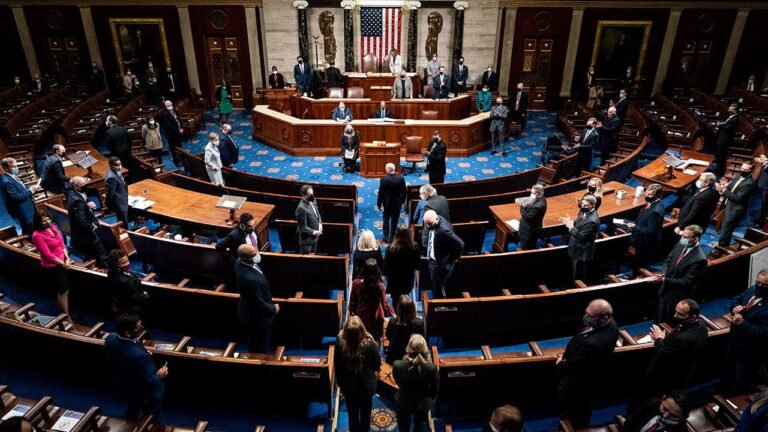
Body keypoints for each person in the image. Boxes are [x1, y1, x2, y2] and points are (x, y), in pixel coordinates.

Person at [556, 299, 619, 428]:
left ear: (604, 317)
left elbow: (574, 367)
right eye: (586, 313)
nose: (585, 317)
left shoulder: (594, 344)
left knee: (573, 413)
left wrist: (561, 362)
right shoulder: (611, 323)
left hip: (579, 385)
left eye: (590, 316)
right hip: (592, 376)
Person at [105, 313, 168, 421]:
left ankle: (130, 419)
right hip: (143, 392)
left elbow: (124, 350)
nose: (142, 328)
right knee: (151, 414)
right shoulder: (139, 357)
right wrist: (160, 375)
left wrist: (140, 348)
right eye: (138, 328)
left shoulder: (111, 338)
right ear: (128, 333)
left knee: (133, 406)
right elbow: (150, 381)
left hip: (123, 382)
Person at [645, 299, 708, 397]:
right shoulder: (701, 324)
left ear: (693, 317)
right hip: (685, 371)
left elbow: (662, 353)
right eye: (676, 311)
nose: (675, 316)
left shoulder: (682, 339)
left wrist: (659, 338)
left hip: (668, 376)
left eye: (680, 314)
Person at [721, 269, 768, 395]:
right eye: (758, 282)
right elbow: (737, 298)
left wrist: (743, 323)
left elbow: (764, 333)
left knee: (741, 377)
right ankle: (722, 391)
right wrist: (735, 306)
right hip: (734, 339)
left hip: (750, 349)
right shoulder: (753, 289)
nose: (759, 286)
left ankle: (732, 399)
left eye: (764, 285)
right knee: (727, 368)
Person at [335, 316, 381, 432]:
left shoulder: (340, 346)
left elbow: (338, 368)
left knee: (352, 413)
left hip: (349, 387)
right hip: (366, 386)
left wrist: (341, 384)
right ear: (362, 329)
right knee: (366, 414)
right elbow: (377, 366)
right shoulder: (370, 346)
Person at [653, 224, 708, 322]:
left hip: (677, 297)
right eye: (683, 235)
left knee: (669, 322)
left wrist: (665, 280)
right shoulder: (681, 243)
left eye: (686, 237)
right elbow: (668, 260)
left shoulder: (700, 259)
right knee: (658, 318)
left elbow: (686, 282)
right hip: (665, 290)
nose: (682, 238)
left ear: (695, 238)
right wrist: (663, 274)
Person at [236, 244, 278, 353]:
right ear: (247, 258)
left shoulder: (240, 261)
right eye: (254, 254)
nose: (258, 255)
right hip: (257, 319)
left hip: (248, 304)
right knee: (259, 345)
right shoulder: (250, 280)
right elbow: (258, 303)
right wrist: (273, 308)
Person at [393, 334, 439, 432]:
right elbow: (434, 390)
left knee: (403, 427)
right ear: (425, 349)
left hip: (403, 401)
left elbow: (397, 381)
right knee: (419, 427)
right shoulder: (431, 368)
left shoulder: (397, 365)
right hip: (422, 403)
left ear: (408, 348)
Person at [31, 211, 72, 318]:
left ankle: (64, 314)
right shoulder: (37, 235)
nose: (47, 222)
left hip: (62, 262)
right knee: (63, 291)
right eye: (43, 221)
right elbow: (47, 255)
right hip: (53, 266)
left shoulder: (53, 227)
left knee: (63, 291)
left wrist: (67, 258)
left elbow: (62, 243)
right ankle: (67, 317)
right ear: (38, 223)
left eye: (48, 219)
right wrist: (63, 263)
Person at [349, 258, 394, 341]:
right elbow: (385, 305)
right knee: (375, 339)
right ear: (377, 271)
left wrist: (352, 315)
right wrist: (393, 315)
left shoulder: (356, 283)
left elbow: (352, 302)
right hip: (375, 317)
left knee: (361, 338)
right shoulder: (380, 287)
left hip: (360, 315)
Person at [68, 176, 107, 268]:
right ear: (76, 187)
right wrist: (91, 227)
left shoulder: (75, 194)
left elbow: (84, 198)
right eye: (82, 185)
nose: (85, 186)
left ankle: (92, 263)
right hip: (85, 231)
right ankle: (103, 266)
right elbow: (81, 220)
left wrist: (88, 203)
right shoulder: (77, 201)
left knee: (90, 251)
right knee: (99, 249)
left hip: (82, 231)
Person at [423, 209, 464, 298]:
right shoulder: (435, 220)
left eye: (429, 224)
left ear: (436, 219)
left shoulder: (444, 230)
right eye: (426, 223)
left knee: (437, 288)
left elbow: (460, 244)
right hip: (434, 258)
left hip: (440, 264)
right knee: (434, 283)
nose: (427, 226)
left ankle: (439, 304)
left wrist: (453, 259)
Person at [715, 161, 755, 248]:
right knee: (724, 228)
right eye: (742, 168)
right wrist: (724, 185)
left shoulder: (749, 183)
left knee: (726, 230)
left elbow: (737, 198)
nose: (743, 170)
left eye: (746, 169)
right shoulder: (738, 176)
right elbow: (731, 187)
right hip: (728, 205)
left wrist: (724, 190)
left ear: (751, 171)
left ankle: (721, 248)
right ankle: (722, 244)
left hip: (734, 209)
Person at [627, 183, 664, 277]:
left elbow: (651, 231)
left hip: (645, 242)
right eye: (646, 193)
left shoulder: (656, 211)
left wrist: (635, 226)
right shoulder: (654, 204)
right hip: (642, 239)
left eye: (650, 194)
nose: (647, 196)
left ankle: (635, 278)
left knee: (639, 262)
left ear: (658, 195)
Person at [562, 195, 600, 284]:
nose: (583, 206)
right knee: (573, 273)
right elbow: (579, 224)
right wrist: (571, 222)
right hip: (575, 248)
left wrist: (571, 227)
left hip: (581, 252)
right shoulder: (584, 211)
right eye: (582, 204)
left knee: (578, 277)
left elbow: (582, 237)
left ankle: (576, 291)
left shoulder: (592, 220)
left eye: (586, 205)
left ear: (592, 206)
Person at [1, 157, 41, 235]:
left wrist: (31, 188)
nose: (16, 168)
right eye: (13, 167)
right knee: (29, 232)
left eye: (16, 166)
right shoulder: (7, 181)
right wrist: (31, 190)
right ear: (6, 168)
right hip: (23, 211)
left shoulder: (11, 176)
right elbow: (15, 197)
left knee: (32, 230)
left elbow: (21, 188)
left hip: (27, 208)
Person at [384, 227, 421, 307]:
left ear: (396, 235)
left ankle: (397, 316)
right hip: (408, 279)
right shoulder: (414, 247)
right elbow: (418, 265)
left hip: (394, 280)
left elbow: (385, 267)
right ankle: (405, 316)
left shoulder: (391, 248)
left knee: (395, 299)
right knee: (406, 296)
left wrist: (387, 276)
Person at [107, 249, 148, 317]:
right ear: (115, 265)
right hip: (134, 310)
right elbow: (137, 299)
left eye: (127, 261)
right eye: (123, 263)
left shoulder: (111, 272)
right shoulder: (125, 281)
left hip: (123, 303)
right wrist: (145, 295)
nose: (127, 264)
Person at [622, 392, 692, 432]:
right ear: (663, 398)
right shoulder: (653, 403)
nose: (665, 415)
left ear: (683, 418)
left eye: (673, 415)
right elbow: (631, 420)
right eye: (665, 408)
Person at [386, 295, 425, 364]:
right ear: (413, 309)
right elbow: (422, 340)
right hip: (413, 358)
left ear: (398, 309)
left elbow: (388, 337)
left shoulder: (392, 322)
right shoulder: (419, 323)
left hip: (394, 358)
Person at [377, 163, 406, 243]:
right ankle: (392, 237)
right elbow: (404, 192)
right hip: (397, 202)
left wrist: (379, 204)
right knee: (395, 220)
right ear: (394, 169)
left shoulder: (383, 179)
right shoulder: (401, 179)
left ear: (387, 170)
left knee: (386, 218)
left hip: (387, 202)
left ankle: (386, 236)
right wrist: (402, 201)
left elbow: (381, 193)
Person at [712, 104, 739, 176]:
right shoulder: (731, 117)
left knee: (721, 156)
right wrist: (723, 124)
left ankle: (719, 172)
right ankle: (717, 169)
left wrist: (720, 125)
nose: (729, 110)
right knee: (718, 155)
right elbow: (726, 125)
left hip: (724, 140)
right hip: (722, 139)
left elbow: (727, 128)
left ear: (735, 110)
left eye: (730, 109)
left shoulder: (735, 119)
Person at [518, 185, 547, 250]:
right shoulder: (542, 198)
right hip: (531, 228)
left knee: (527, 248)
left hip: (529, 231)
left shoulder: (538, 206)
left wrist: (522, 206)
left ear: (538, 193)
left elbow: (527, 217)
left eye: (532, 193)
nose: (531, 194)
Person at [296, 185, 322, 254]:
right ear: (303, 195)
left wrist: (320, 224)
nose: (312, 196)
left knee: (313, 255)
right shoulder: (301, 208)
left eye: (312, 194)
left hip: (315, 237)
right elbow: (303, 227)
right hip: (306, 241)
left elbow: (317, 213)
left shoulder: (313, 200)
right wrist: (314, 232)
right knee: (306, 260)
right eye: (309, 195)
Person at [105, 157, 130, 228]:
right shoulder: (111, 178)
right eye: (117, 165)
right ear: (111, 165)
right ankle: (126, 233)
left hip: (123, 198)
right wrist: (109, 205)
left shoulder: (114, 171)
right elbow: (110, 194)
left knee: (125, 217)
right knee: (123, 221)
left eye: (120, 164)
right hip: (120, 203)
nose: (119, 166)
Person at [157, 100, 184, 166]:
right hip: (171, 135)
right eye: (168, 106)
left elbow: (179, 120)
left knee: (180, 146)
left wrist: (181, 127)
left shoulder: (174, 111)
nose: (170, 106)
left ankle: (182, 159)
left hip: (178, 133)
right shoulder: (165, 114)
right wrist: (178, 130)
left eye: (171, 105)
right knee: (173, 148)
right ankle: (176, 161)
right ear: (166, 106)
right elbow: (169, 125)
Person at [752, 154, 768, 228]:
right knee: (763, 206)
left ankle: (761, 223)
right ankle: (760, 221)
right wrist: (763, 161)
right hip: (764, 188)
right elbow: (755, 159)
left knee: (765, 207)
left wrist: (765, 162)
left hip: (767, 188)